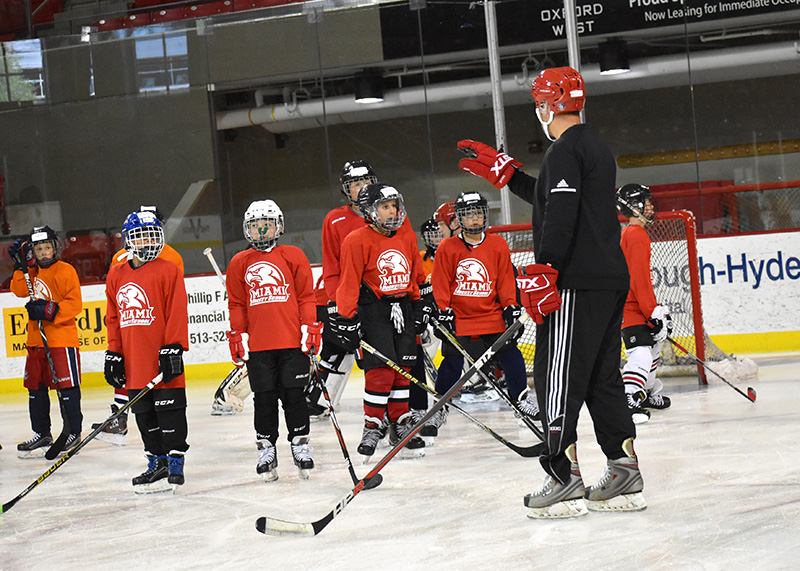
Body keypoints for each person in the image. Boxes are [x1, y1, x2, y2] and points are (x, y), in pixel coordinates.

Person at [458, 66, 645, 518]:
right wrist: (510, 176)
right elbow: (556, 198)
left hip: (575, 282)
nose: (538, 110)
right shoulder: (593, 145)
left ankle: (563, 475)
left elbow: (560, 213)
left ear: (547, 105)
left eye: (539, 103)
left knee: (554, 376)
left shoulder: (564, 150)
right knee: (602, 377)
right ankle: (623, 468)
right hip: (607, 280)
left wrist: (547, 270)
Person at [225, 200, 320, 481]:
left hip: (292, 342)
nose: (261, 230)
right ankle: (266, 448)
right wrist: (239, 334)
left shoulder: (293, 256)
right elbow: (236, 303)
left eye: (266, 224)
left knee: (294, 397)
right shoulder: (239, 263)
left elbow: (306, 296)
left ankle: (300, 444)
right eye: (255, 225)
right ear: (247, 230)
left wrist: (309, 327)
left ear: (278, 226)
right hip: (259, 347)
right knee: (264, 399)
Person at [430, 191, 537, 437]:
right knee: (453, 361)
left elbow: (504, 280)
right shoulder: (448, 247)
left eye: (478, 213)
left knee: (511, 353)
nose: (475, 219)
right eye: (469, 215)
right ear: (459, 219)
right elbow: (441, 282)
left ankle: (521, 401)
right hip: (460, 318)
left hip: (491, 315)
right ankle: (440, 407)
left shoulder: (497, 243)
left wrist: (510, 305)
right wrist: (443, 310)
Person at [332, 183, 427, 459]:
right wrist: (346, 317)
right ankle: (373, 424)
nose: (392, 211)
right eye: (385, 206)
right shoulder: (356, 239)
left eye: (394, 205)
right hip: (375, 312)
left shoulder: (406, 237)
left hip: (403, 310)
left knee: (403, 369)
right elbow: (348, 282)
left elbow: (413, 277)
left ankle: (400, 420)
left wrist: (419, 304)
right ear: (370, 210)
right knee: (380, 371)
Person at [105, 210, 189, 493]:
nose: (148, 242)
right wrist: (113, 353)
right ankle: (157, 461)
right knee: (144, 414)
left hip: (163, 358)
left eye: (152, 235)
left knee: (170, 411)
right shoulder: (116, 274)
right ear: (129, 240)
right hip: (135, 361)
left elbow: (177, 311)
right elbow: (113, 317)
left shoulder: (169, 270)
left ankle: (175, 460)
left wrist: (173, 346)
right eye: (141, 236)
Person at [306, 161, 380, 419]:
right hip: (340, 299)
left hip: (375, 300)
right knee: (340, 350)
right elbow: (331, 265)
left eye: (365, 182)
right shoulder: (335, 219)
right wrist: (338, 303)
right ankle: (315, 402)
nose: (361, 189)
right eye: (355, 184)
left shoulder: (386, 212)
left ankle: (319, 402)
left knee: (362, 355)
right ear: (347, 190)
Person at [10, 226, 83, 458]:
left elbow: (75, 304)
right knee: (36, 389)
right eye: (38, 249)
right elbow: (18, 290)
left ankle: (73, 431)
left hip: (61, 340)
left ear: (55, 248)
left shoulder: (66, 270)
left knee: (67, 387)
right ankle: (42, 432)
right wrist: (20, 267)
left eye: (47, 248)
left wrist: (50, 309)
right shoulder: (31, 273)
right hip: (36, 341)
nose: (43, 253)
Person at [617, 183, 673, 424]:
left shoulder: (630, 233)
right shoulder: (636, 234)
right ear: (631, 206)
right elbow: (638, 279)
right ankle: (629, 399)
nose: (650, 206)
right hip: (630, 307)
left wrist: (652, 310)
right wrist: (653, 311)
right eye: (644, 202)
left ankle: (646, 393)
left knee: (652, 348)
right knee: (640, 353)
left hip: (633, 304)